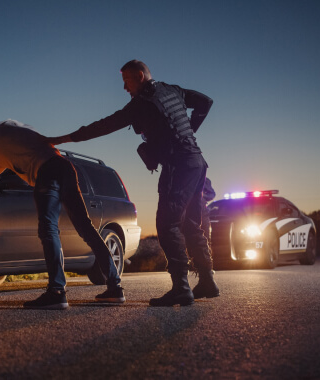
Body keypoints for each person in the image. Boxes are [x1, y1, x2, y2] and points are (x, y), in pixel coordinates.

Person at [47, 60, 219, 306]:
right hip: (197, 162)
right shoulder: (173, 90)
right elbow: (206, 102)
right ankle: (207, 281)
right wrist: (188, 132)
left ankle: (181, 287)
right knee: (192, 224)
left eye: (127, 81)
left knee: (167, 224)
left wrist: (61, 139)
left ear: (139, 76)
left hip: (178, 165)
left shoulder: (140, 104)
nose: (125, 88)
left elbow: (103, 126)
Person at [0, 119, 124, 310]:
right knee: (86, 228)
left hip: (47, 173)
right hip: (65, 168)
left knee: (48, 229)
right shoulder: (11, 130)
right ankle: (115, 288)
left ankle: (57, 291)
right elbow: (0, 165)